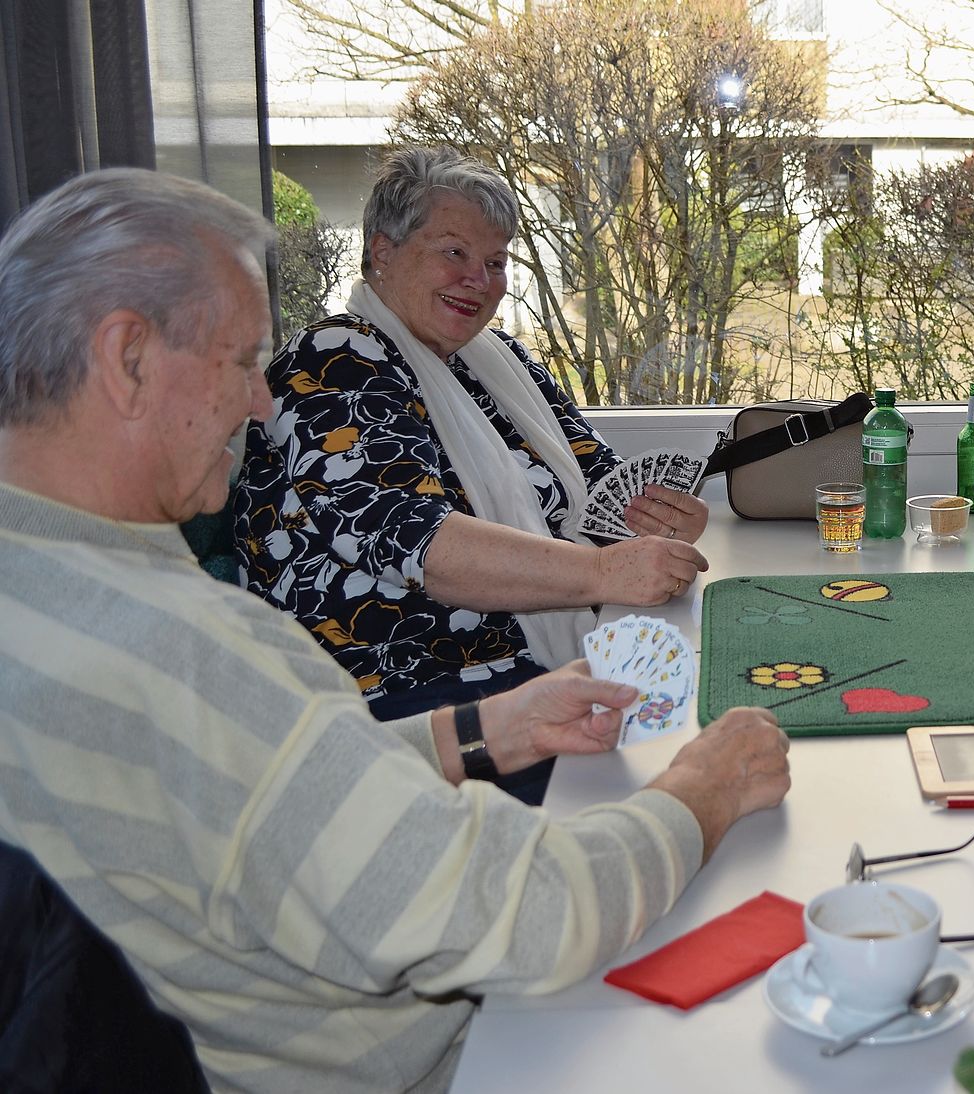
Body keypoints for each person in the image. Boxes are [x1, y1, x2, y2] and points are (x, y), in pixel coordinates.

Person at [0, 168, 791, 1090]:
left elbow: (252, 789)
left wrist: (477, 731)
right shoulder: (188, 650)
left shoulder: (45, 589)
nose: (261, 402)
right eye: (241, 361)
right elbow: (526, 918)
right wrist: (704, 785)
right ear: (128, 359)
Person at [235, 147, 705, 800]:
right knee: (673, 772)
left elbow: (604, 484)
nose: (478, 279)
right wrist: (602, 572)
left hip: (521, 670)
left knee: (711, 703)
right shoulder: (334, 359)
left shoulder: (497, 361)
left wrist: (663, 513)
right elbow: (417, 543)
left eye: (496, 262)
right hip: (405, 704)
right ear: (382, 252)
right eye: (454, 252)